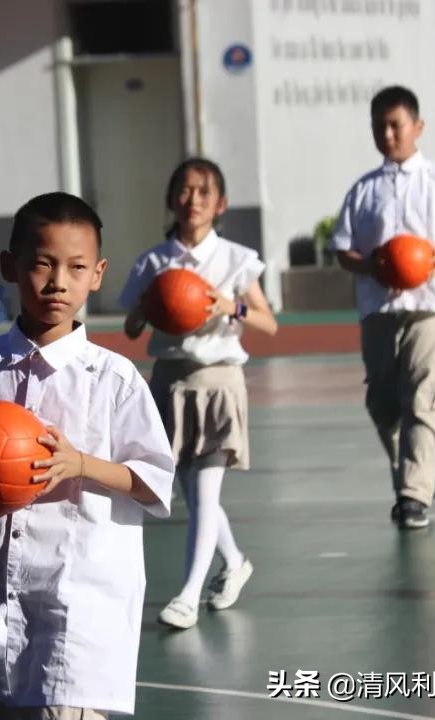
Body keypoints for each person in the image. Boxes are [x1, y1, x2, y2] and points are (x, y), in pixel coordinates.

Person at [0, 191, 175, 718]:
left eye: (75, 268)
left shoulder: (114, 380)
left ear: (97, 275)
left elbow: (154, 479)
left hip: (70, 613)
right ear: (10, 266)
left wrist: (81, 465)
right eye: (42, 264)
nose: (57, 282)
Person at [120, 157, 278, 630]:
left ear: (220, 203)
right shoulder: (152, 262)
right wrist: (151, 307)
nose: (193, 200)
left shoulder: (235, 259)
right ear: (172, 199)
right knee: (191, 491)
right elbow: (131, 328)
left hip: (217, 382)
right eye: (185, 191)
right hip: (170, 380)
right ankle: (235, 562)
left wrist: (234, 308)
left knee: (207, 489)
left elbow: (268, 323)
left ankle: (188, 596)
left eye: (203, 192)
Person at [329, 85, 435, 530]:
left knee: (422, 393)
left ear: (418, 127)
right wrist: (372, 266)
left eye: (396, 124)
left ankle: (413, 494)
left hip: (431, 305)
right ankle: (411, 470)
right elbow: (343, 250)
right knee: (382, 400)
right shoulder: (363, 190)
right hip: (378, 305)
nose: (388, 133)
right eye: (379, 125)